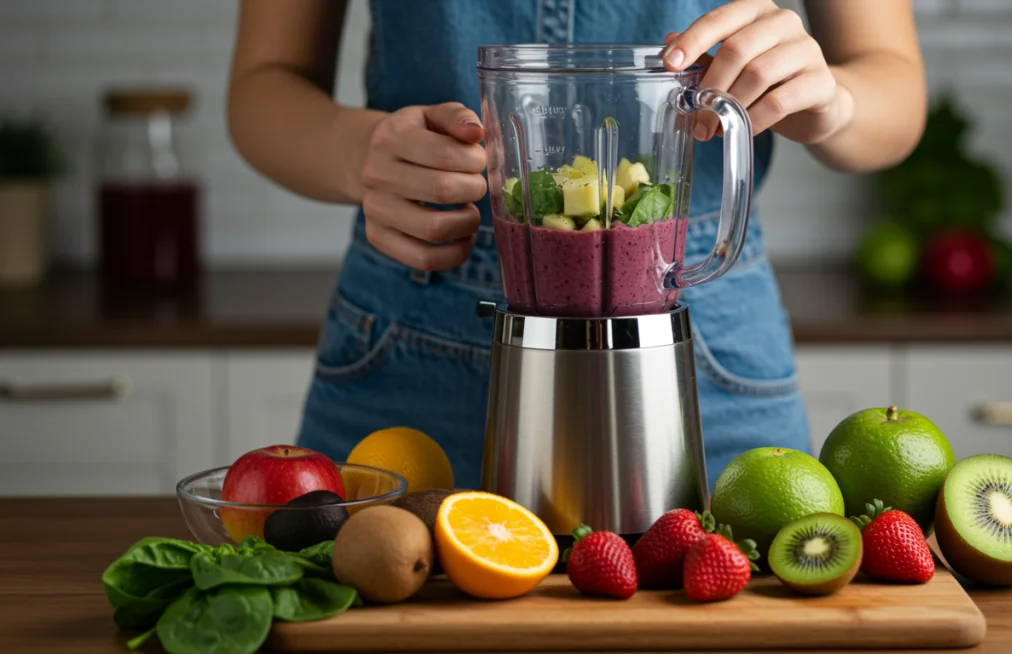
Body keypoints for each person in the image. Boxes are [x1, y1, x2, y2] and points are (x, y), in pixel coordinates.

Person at [227, 0, 926, 489]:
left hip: (702, 339)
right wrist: (358, 152)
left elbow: (893, 87)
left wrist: (832, 101)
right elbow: (264, 84)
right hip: (413, 338)